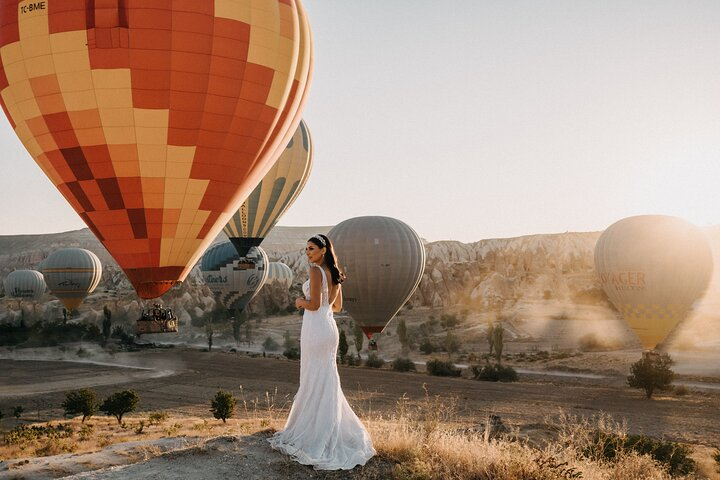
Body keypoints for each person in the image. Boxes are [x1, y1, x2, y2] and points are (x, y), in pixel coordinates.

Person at [268, 234, 375, 469]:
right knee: (326, 380)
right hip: (328, 329)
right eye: (306, 248)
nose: (307, 252)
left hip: (315, 329)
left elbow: (315, 305)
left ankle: (315, 433)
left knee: (313, 379)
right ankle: (330, 429)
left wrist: (300, 302)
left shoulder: (315, 271)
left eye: (311, 248)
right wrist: (320, 302)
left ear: (323, 250)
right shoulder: (336, 274)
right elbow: (336, 306)